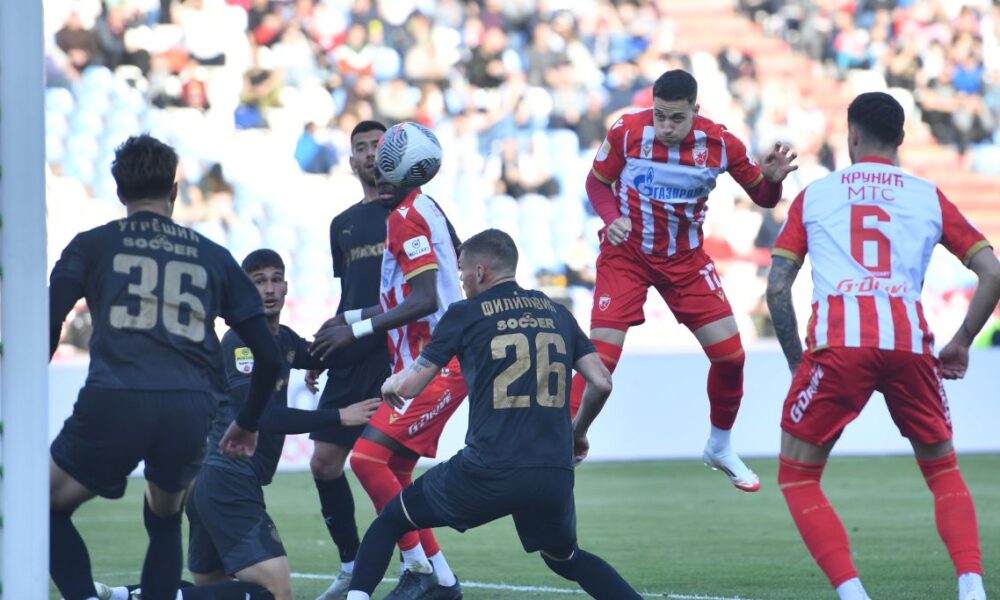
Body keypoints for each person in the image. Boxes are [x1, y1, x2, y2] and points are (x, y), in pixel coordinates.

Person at [766, 91, 1000, 600]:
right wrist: (962, 341)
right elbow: (992, 271)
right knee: (942, 470)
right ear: (901, 138)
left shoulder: (816, 195)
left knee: (798, 475)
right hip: (909, 342)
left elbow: (778, 287)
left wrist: (798, 364)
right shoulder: (927, 195)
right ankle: (972, 587)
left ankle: (854, 594)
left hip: (839, 344)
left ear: (852, 136)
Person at [344, 229, 643, 600]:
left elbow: (411, 386)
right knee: (566, 559)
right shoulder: (557, 312)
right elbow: (601, 382)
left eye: (462, 271)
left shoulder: (465, 313)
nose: (461, 281)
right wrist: (577, 432)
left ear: (480, 271)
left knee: (391, 519)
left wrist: (392, 382)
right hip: (552, 470)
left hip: (490, 467)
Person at [48, 134, 282, 600]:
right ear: (174, 190)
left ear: (119, 191)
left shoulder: (92, 245)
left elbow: (48, 322)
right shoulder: (213, 254)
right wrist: (248, 422)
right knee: (165, 517)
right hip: (190, 407)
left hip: (116, 396)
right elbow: (270, 356)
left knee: (44, 507)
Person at [95, 250, 381, 600]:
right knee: (276, 592)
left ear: (287, 286)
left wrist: (381, 322)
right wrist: (339, 415)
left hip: (213, 482)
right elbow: (261, 416)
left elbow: (334, 353)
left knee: (215, 588)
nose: (269, 289)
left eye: (275, 279)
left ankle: (124, 595)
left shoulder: (284, 338)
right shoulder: (240, 342)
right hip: (227, 480)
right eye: (259, 282)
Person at [569, 68, 799, 492]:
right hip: (626, 256)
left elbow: (763, 198)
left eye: (676, 118)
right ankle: (563, 442)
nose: (666, 127)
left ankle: (720, 446)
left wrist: (772, 181)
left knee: (731, 357)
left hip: (685, 261)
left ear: (696, 110)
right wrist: (611, 217)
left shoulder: (722, 143)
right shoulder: (627, 131)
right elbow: (597, 182)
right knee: (599, 360)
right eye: (660, 116)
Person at [311, 124, 465, 600]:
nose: (377, 169)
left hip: (433, 363)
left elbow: (424, 299)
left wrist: (357, 331)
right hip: (427, 361)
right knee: (393, 471)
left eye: (385, 161)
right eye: (371, 160)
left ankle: (418, 567)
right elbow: (403, 296)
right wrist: (348, 319)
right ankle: (443, 579)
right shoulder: (421, 207)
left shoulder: (404, 218)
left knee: (365, 459)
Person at [307, 120, 394, 600]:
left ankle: (420, 564)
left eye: (377, 144)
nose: (369, 154)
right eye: (361, 147)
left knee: (382, 465)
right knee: (324, 463)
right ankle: (349, 565)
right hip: (352, 352)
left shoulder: (414, 210)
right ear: (351, 160)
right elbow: (351, 296)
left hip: (394, 352)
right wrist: (326, 343)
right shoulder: (342, 224)